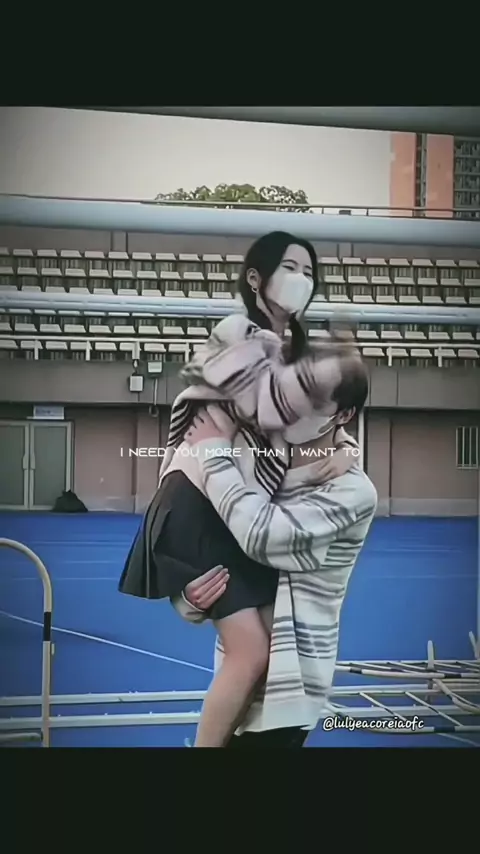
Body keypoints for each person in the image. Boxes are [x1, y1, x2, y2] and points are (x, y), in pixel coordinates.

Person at [119, 231, 360, 747]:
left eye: (309, 272)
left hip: (229, 507)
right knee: (250, 652)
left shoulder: (296, 355)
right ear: (255, 278)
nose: (301, 281)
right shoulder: (236, 333)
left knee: (269, 652)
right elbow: (275, 407)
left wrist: (342, 446)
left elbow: (312, 420)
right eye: (289, 268)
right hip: (198, 497)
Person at [175, 364, 377, 748]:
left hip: (288, 689)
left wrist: (213, 453)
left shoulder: (351, 492)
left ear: (344, 414)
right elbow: (202, 537)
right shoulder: (263, 463)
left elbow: (260, 536)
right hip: (238, 675)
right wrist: (187, 598)